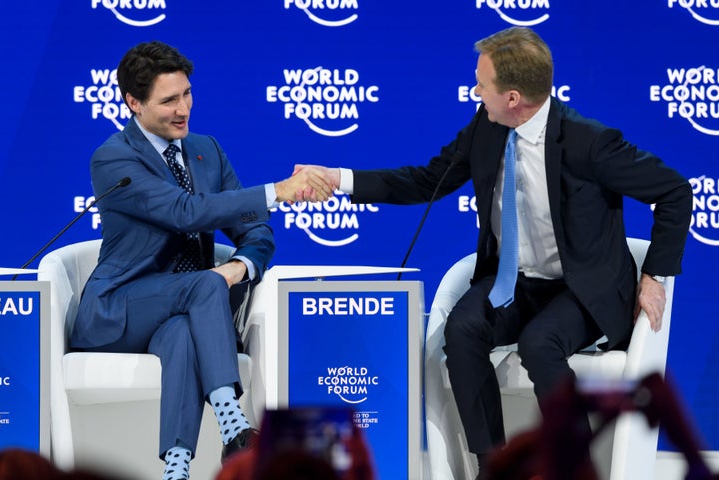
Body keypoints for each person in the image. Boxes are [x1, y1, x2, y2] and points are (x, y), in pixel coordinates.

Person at [295, 26, 693, 479]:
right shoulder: (486, 128)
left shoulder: (590, 143)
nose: (475, 92)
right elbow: (426, 179)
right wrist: (338, 179)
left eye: (482, 85)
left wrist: (654, 275)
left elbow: (676, 192)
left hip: (583, 288)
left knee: (539, 343)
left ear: (513, 97)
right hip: (516, 282)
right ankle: (492, 466)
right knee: (462, 330)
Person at [71, 40, 336, 480]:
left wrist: (241, 266)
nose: (183, 109)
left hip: (185, 310)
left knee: (181, 332)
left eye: (187, 94)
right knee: (205, 284)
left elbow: (256, 232)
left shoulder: (206, 150)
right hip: (120, 308)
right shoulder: (114, 157)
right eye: (169, 100)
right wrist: (278, 191)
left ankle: (177, 466)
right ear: (133, 102)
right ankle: (233, 421)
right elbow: (183, 211)